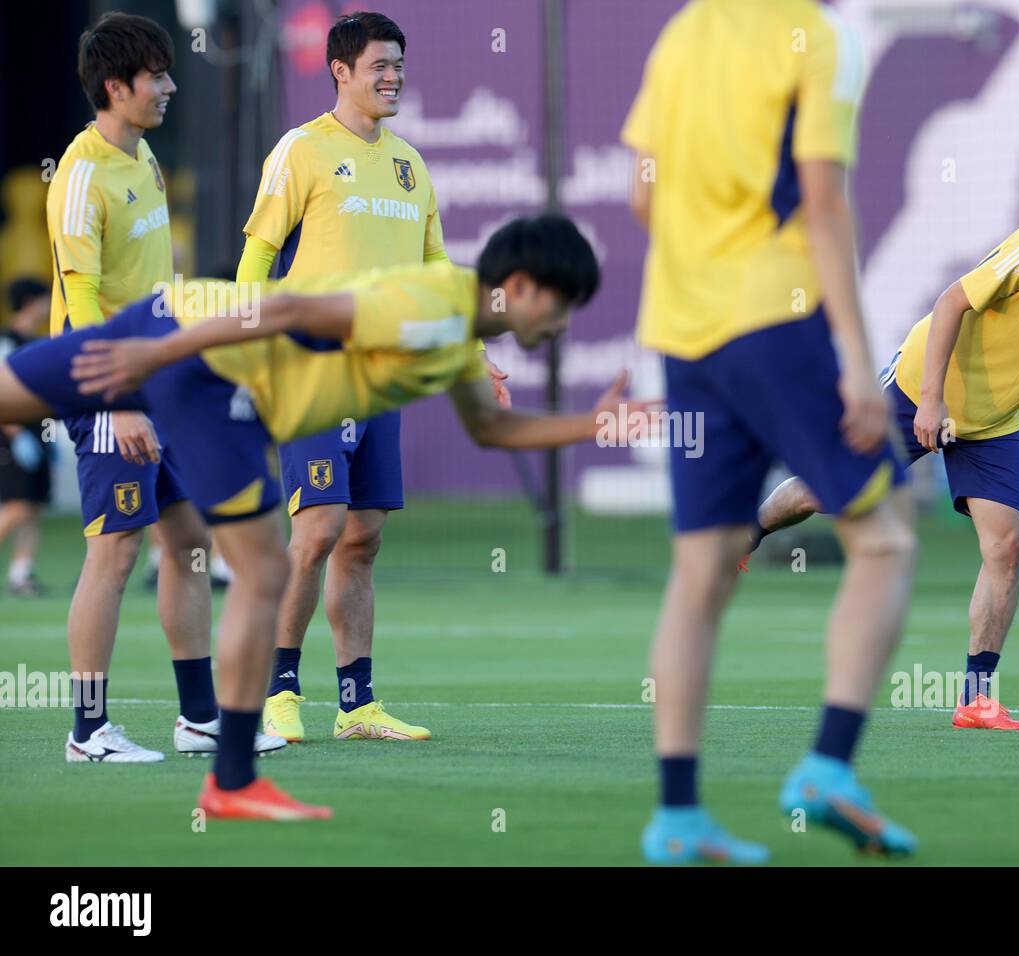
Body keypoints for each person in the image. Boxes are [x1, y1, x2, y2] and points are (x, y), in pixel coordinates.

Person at [0, 213, 651, 820]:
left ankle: (220, 761)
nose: (565, 323)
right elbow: (285, 306)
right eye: (563, 305)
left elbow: (490, 425)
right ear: (521, 287)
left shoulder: (455, 325)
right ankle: (231, 784)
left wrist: (594, 425)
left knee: (12, 395)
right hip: (204, 370)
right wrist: (160, 360)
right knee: (260, 574)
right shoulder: (429, 310)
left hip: (169, 323)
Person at [622, 0, 918, 863]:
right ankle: (829, 766)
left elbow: (644, 193)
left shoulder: (682, 32)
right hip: (776, 321)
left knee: (701, 571)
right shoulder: (820, 39)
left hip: (681, 330)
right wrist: (859, 362)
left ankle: (677, 818)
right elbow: (824, 203)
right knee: (886, 540)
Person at [749, 196, 1019, 729]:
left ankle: (976, 698)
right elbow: (951, 302)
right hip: (920, 387)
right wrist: (932, 401)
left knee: (1006, 546)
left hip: (993, 424)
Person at [238, 10, 509, 745]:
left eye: (399, 66)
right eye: (379, 67)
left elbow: (432, 273)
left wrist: (476, 351)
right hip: (311, 366)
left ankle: (356, 705)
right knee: (318, 527)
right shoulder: (302, 150)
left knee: (364, 539)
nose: (393, 77)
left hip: (381, 377)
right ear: (341, 72)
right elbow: (257, 258)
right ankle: (278, 692)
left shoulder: (410, 164)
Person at [47, 12, 281, 763]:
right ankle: (87, 730)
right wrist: (115, 401)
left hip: (161, 380)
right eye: (158, 76)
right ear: (117, 87)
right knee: (114, 553)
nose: (172, 87)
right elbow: (79, 298)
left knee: (186, 546)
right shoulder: (81, 173)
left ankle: (199, 718)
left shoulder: (142, 158)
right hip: (106, 385)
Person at [0, 279, 54, 596]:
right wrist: (15, 433)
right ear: (31, 302)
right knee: (16, 506)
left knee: (33, 506)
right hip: (12, 433)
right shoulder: (7, 338)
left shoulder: (38, 340)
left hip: (37, 431)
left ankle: (21, 574)